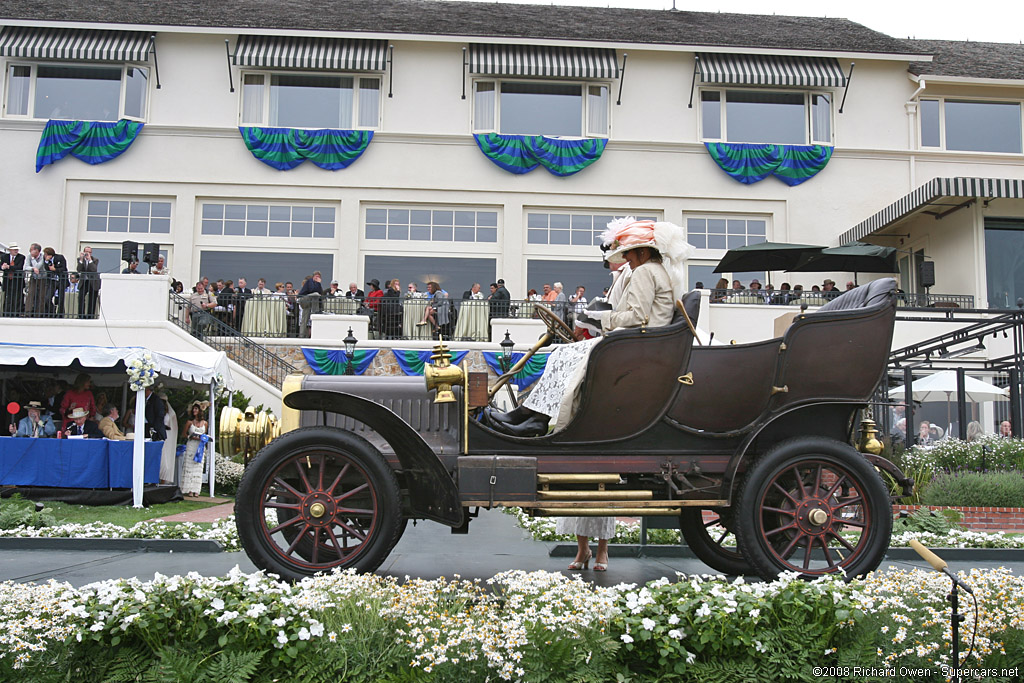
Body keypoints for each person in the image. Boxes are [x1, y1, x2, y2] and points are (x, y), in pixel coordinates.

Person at [485, 217, 690, 439]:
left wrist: (601, 318)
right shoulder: (655, 270)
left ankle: (534, 418)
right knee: (562, 353)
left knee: (563, 353)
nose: (627, 261)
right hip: (640, 342)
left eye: (629, 255)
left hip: (634, 344)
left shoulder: (644, 271)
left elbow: (637, 317)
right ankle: (532, 415)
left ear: (642, 252)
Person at [181, 401, 209, 497]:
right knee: (189, 466)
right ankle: (188, 489)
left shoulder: (205, 423)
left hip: (200, 446)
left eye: (196, 409)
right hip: (192, 445)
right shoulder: (189, 422)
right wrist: (190, 437)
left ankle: (196, 489)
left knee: (198, 467)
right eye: (193, 409)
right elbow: (184, 434)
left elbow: (205, 435)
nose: (194, 410)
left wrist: (202, 438)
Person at [158, 391, 179, 484]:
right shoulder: (157, 411)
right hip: (159, 435)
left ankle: (163, 479)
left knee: (166, 458)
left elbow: (173, 427)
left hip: (167, 437)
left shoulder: (171, 414)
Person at [1, 242, 26, 315]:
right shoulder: (4, 257)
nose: (16, 251)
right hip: (8, 280)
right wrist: (3, 267)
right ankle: (6, 313)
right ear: (10, 250)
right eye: (14, 249)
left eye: (17, 249)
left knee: (17, 297)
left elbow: (19, 267)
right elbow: (2, 266)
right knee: (8, 297)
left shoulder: (21, 257)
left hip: (17, 281)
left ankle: (16, 313)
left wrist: (8, 267)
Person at [297, 271, 324, 337]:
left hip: (310, 301)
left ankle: (303, 335)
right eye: (316, 276)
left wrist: (319, 284)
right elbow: (312, 290)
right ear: (313, 276)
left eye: (319, 277)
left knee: (305, 318)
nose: (317, 278)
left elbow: (320, 292)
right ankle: (315, 311)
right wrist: (318, 283)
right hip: (304, 299)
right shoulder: (310, 282)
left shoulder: (317, 284)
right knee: (315, 294)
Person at [24, 243, 45, 315]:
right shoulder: (29, 256)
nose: (30, 251)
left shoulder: (43, 257)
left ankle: (39, 312)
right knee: (30, 293)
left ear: (37, 250)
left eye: (31, 250)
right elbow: (26, 267)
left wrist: (33, 260)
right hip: (33, 277)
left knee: (41, 295)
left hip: (43, 278)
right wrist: (32, 268)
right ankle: (28, 312)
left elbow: (38, 266)